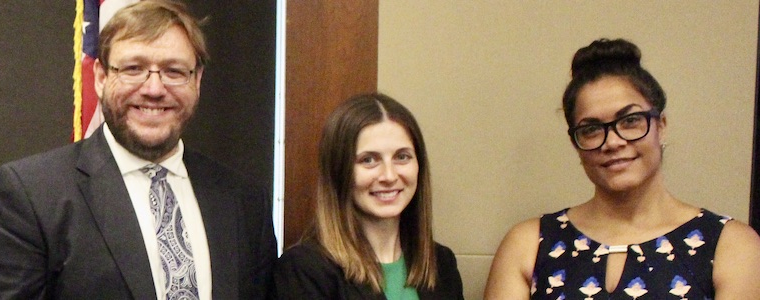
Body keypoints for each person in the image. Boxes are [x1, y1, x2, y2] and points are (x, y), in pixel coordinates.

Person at [0, 1, 276, 299]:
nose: (154, 89)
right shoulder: (32, 196)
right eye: (133, 68)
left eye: (174, 71)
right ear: (101, 78)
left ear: (197, 81)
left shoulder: (244, 202)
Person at [485, 38, 760, 299]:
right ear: (575, 143)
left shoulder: (731, 246)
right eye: (592, 129)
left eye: (630, 121)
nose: (613, 142)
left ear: (660, 126)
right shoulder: (529, 245)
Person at [274, 94, 463, 299]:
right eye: (369, 160)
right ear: (339, 171)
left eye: (402, 157)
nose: (389, 176)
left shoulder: (441, 264)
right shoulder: (305, 272)